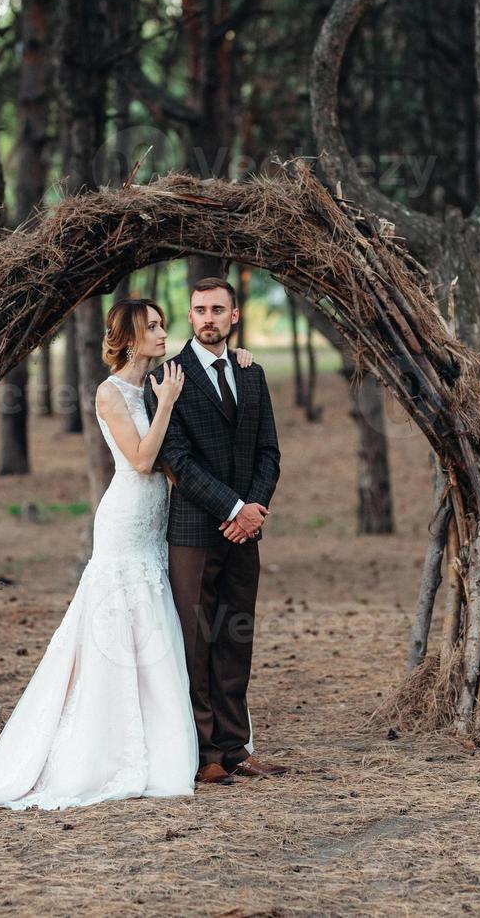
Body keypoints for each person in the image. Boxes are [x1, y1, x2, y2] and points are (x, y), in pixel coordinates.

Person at [0, 297, 258, 811]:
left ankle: (168, 744)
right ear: (131, 338)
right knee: (114, 624)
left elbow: (203, 380)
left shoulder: (159, 383)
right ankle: (102, 744)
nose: (164, 334)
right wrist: (167, 408)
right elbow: (139, 460)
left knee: (155, 628)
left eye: (162, 326)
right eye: (153, 327)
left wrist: (233, 357)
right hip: (126, 517)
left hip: (156, 518)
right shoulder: (111, 393)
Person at [143, 277, 287, 785]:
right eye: (200, 309)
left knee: (235, 637)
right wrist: (231, 506)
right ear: (190, 314)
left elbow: (269, 451)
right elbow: (175, 458)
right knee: (196, 641)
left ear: (234, 316)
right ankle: (204, 753)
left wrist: (254, 509)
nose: (208, 317)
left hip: (246, 531)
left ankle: (235, 747)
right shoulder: (166, 377)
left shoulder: (252, 374)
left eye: (217, 309)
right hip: (194, 532)